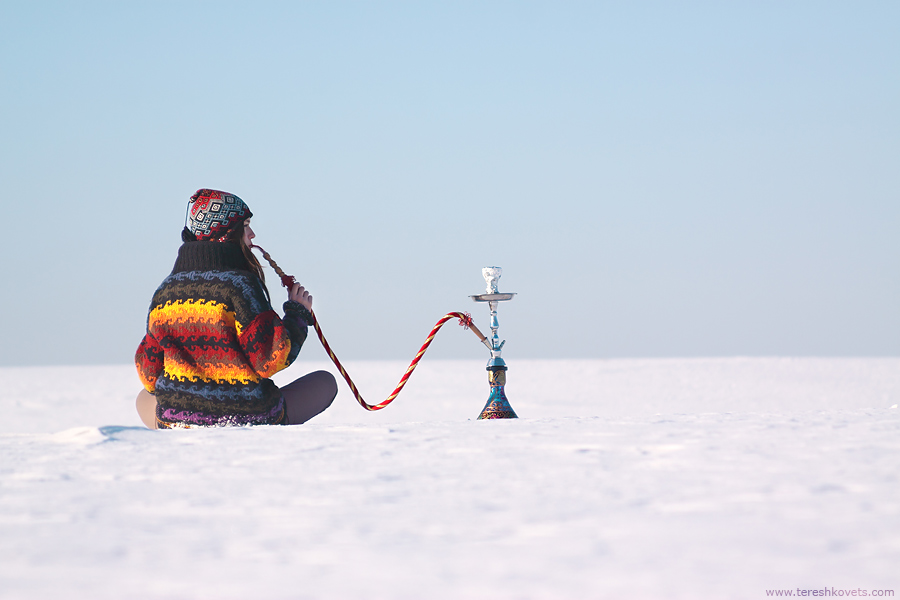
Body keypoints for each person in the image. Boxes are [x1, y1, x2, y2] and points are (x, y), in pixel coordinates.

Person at [134, 189, 337, 429]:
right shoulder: (241, 285)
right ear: (227, 232)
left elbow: (148, 375)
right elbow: (270, 359)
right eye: (246, 225)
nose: (252, 233)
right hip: (249, 419)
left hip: (179, 422)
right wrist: (297, 315)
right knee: (326, 382)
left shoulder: (165, 293)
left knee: (142, 398)